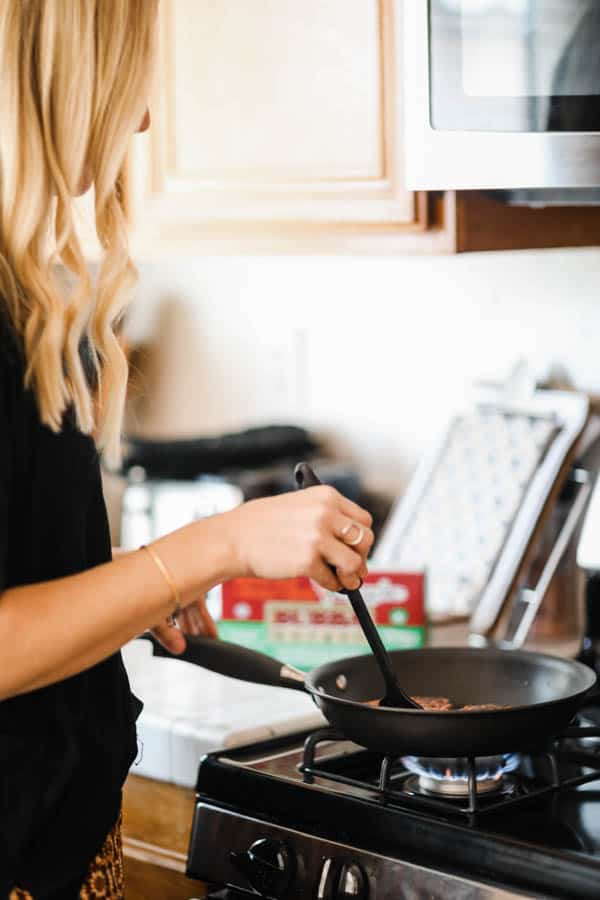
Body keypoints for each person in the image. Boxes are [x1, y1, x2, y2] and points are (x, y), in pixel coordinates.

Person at [0, 2, 373, 897]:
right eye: (128, 73)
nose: (143, 119)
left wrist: (128, 588)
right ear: (54, 66)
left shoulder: (21, 289)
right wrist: (217, 545)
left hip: (61, 843)